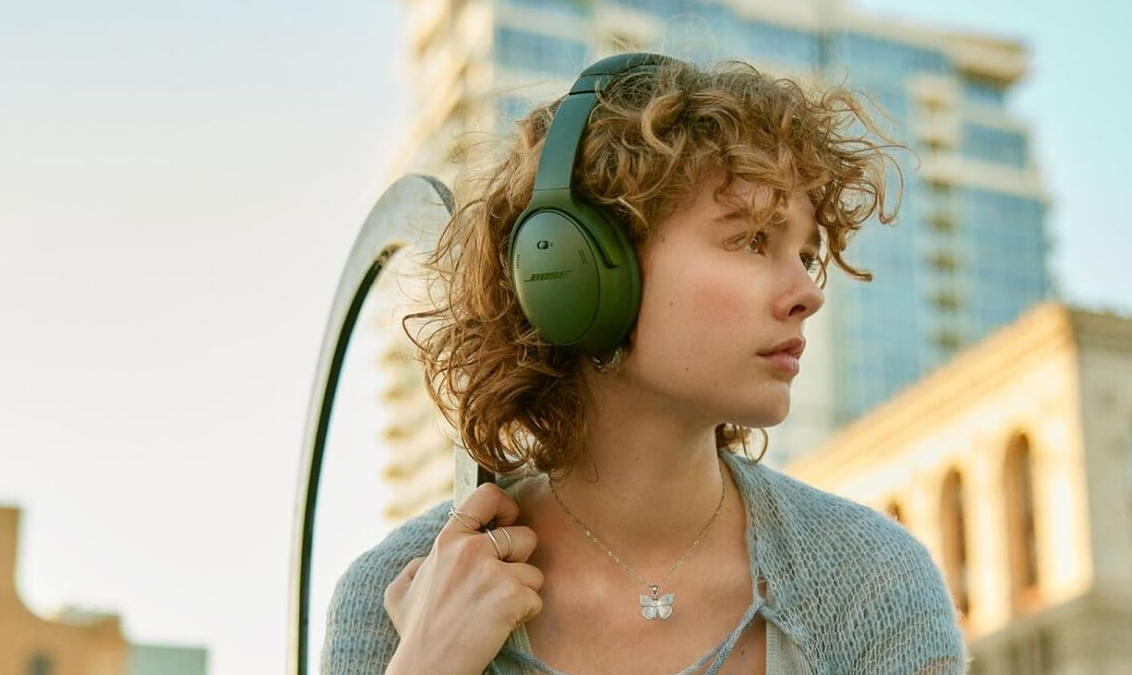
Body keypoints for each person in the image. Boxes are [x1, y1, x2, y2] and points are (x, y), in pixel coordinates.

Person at [321, 53, 968, 675]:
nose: (807, 291)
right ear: (577, 270)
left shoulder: (871, 585)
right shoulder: (397, 597)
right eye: (749, 238)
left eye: (805, 251)